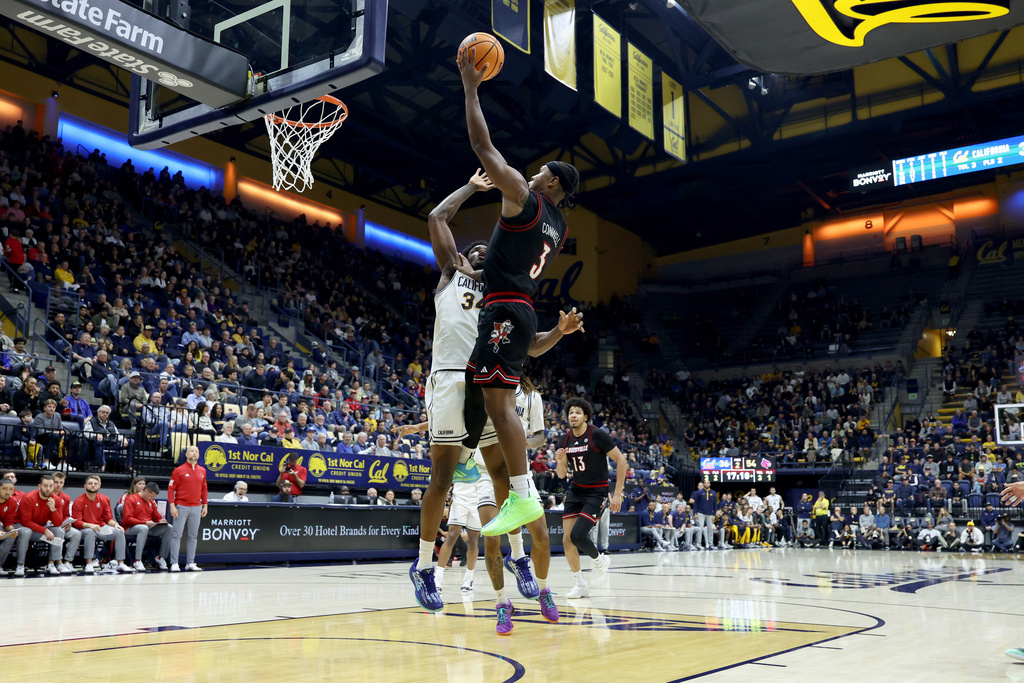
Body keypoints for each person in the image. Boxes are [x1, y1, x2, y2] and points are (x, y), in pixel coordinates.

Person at [408, 171, 580, 631]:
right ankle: (425, 567)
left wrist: (559, 334)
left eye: (489, 248)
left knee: (502, 472)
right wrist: (471, 187)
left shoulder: (500, 288)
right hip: (448, 379)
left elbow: (532, 345)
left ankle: (520, 556)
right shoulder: (450, 272)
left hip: (486, 382)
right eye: (476, 249)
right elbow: (436, 216)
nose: (482, 251)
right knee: (443, 477)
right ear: (465, 256)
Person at [458, 47, 580, 539]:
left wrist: (471, 87)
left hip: (507, 308)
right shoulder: (560, 225)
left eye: (540, 171)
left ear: (549, 181)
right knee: (483, 389)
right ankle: (479, 452)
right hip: (521, 310)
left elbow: (483, 148)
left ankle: (523, 496)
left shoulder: (527, 199)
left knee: (499, 406)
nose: (532, 172)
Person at [553, 399, 625, 597]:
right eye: (570, 413)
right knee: (567, 540)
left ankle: (599, 560)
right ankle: (580, 584)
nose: (573, 415)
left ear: (585, 417)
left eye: (577, 412)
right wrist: (559, 461)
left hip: (597, 492)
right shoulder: (565, 439)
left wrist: (617, 493)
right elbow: (561, 474)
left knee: (578, 536)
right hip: (576, 491)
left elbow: (621, 461)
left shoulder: (597, 434)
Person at [71, 475, 134, 573]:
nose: (93, 486)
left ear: (99, 486)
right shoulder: (79, 501)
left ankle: (120, 563)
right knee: (90, 532)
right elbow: (77, 522)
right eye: (90, 483)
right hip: (85, 529)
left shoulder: (104, 499)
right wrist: (90, 525)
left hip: (100, 527)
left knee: (119, 531)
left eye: (95, 484)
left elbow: (108, 518)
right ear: (85, 486)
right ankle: (89, 563)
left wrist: (115, 524)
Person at [14, 474, 68, 576]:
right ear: (39, 486)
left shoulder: (56, 500)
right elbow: (26, 522)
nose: (48, 489)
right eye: (45, 486)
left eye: (51, 486)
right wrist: (45, 530)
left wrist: (53, 510)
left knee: (59, 531)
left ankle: (51, 564)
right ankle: (20, 565)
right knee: (26, 531)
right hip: (21, 526)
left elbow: (58, 523)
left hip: (39, 528)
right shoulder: (29, 498)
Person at [168, 445, 208, 572]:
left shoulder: (202, 470)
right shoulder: (179, 470)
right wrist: (172, 505)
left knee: (193, 536)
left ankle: (190, 562)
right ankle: (174, 562)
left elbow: (204, 488)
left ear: (199, 455)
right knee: (177, 535)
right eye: (192, 451)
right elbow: (171, 488)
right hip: (181, 506)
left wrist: (205, 504)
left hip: (196, 506)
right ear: (186, 454)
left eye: (196, 451)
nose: (194, 453)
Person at [122, 482, 171, 571]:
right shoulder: (131, 499)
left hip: (147, 527)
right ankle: (137, 560)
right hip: (130, 528)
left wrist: (161, 521)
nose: (152, 499)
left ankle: (161, 557)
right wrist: (144, 522)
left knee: (169, 528)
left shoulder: (151, 502)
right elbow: (127, 519)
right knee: (143, 528)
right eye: (151, 496)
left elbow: (157, 517)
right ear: (146, 491)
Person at [689, 479, 717, 550]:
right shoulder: (699, 492)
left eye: (708, 483)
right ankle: (698, 543)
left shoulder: (713, 493)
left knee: (710, 529)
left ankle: (711, 544)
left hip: (710, 513)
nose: (706, 484)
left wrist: (714, 514)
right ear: (704, 484)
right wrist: (695, 513)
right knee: (700, 529)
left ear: (710, 484)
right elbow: (695, 503)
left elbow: (715, 505)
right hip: (700, 512)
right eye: (705, 483)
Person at [0, 479, 20, 574]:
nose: (7, 492)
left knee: (11, 536)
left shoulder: (13, 501)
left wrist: (12, 530)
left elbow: (8, 522)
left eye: (10, 489)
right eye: (4, 489)